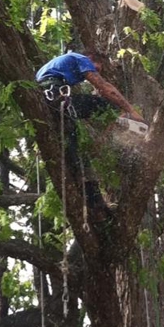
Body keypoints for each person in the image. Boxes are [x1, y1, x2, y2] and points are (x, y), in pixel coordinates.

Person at [36, 51, 143, 210]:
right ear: (92, 60)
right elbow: (105, 88)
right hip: (55, 96)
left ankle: (91, 200)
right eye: (98, 69)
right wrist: (130, 109)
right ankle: (124, 120)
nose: (97, 72)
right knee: (106, 105)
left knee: (73, 148)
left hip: (49, 100)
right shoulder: (81, 59)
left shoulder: (57, 67)